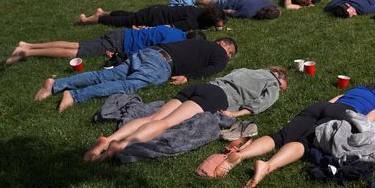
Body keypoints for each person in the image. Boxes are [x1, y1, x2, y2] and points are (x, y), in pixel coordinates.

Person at [203, 80, 375, 187]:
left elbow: (333, 100)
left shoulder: (359, 88)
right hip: (344, 115)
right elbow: (373, 116)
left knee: (280, 136)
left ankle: (242, 154)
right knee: (306, 144)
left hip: (321, 107)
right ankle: (267, 165)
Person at [84, 66, 288, 162]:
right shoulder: (273, 84)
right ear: (279, 78)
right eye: (283, 85)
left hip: (203, 87)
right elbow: (262, 103)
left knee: (152, 117)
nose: (282, 88)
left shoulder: (247, 69)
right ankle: (120, 146)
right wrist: (237, 114)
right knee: (166, 123)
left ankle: (109, 139)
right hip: (218, 97)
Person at [33, 37, 237, 112]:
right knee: (126, 85)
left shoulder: (198, 41)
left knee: (106, 76)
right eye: (231, 52)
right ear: (224, 45)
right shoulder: (220, 53)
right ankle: (75, 95)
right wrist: (188, 77)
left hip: (150, 52)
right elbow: (213, 69)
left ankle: (56, 84)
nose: (228, 56)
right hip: (161, 65)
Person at [5, 26, 200, 65]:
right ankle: (27, 52)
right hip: (120, 42)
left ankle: (29, 44)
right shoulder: (176, 41)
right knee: (75, 51)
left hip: (122, 33)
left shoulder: (173, 30)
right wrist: (119, 57)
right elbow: (147, 50)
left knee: (76, 44)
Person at [75, 4, 226, 32]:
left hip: (157, 9)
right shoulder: (191, 23)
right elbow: (168, 27)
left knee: (131, 15)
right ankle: (87, 20)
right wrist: (148, 29)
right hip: (152, 17)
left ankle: (103, 12)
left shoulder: (197, 11)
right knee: (125, 21)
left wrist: (217, 25)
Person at [195, 0, 280, 19]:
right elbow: (229, 11)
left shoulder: (269, 3)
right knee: (209, 3)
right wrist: (218, 10)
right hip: (230, 1)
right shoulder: (248, 13)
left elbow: (278, 10)